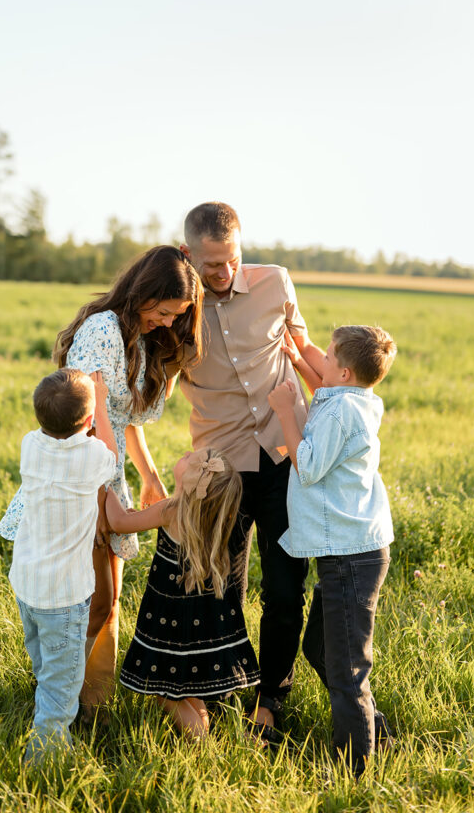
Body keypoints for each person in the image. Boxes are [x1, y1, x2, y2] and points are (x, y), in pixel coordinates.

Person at [0, 246, 204, 712]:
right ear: (146, 293)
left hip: (106, 474)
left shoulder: (140, 339)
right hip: (81, 480)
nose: (170, 323)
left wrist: (149, 476)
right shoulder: (102, 332)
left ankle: (89, 702)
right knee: (90, 603)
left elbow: (123, 417)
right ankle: (62, 702)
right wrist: (103, 495)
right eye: (166, 311)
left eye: (179, 316)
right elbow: (93, 416)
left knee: (105, 606)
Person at [178, 201, 326, 745]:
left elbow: (302, 347)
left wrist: (345, 400)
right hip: (220, 468)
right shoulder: (174, 305)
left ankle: (270, 705)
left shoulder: (275, 283)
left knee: (286, 590)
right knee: (223, 587)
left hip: (285, 456)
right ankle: (222, 687)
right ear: (189, 253)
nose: (223, 273)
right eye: (211, 264)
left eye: (231, 260)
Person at [268, 324, 397, 775]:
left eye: (325, 354)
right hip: (349, 550)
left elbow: (308, 468)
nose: (317, 358)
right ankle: (375, 731)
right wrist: (299, 360)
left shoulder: (342, 412)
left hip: (349, 557)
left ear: (342, 371)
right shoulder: (352, 397)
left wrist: (286, 410)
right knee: (320, 649)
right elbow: (325, 389)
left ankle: (353, 771)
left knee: (346, 671)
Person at [105, 447, 260, 739]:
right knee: (190, 683)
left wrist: (105, 486)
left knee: (163, 688)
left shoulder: (171, 510)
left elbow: (119, 523)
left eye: (191, 458)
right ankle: (202, 726)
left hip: (169, 616)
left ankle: (201, 745)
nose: (187, 452)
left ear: (192, 481)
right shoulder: (209, 516)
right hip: (202, 620)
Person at [8, 368, 117, 762]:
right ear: (87, 423)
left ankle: (45, 719)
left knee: (45, 668)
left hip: (27, 585)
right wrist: (101, 402)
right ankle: (44, 766)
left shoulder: (29, 446)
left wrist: (89, 405)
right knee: (60, 690)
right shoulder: (90, 457)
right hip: (64, 597)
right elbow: (112, 456)